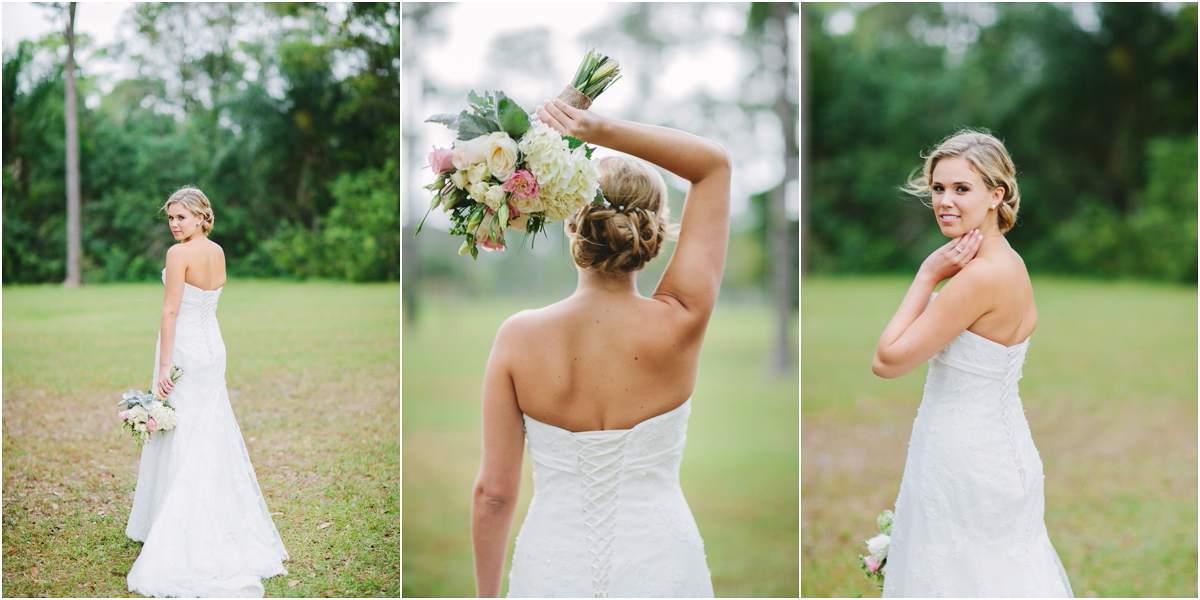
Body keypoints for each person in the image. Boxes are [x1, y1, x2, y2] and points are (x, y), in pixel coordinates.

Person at [470, 99, 731, 598]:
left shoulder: (517, 337)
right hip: (663, 567)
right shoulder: (682, 320)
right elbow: (713, 165)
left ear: (571, 223)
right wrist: (596, 129)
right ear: (653, 234)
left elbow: (494, 496)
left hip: (551, 570)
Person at [872, 130, 1072, 597]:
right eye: (938, 188)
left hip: (960, 456)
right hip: (1007, 451)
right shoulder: (1014, 265)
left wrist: (926, 276)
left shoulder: (978, 278)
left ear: (995, 195)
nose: (945, 201)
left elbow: (887, 360)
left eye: (962, 189)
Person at [125, 186, 288, 597]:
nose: (174, 224)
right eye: (170, 218)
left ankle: (186, 524)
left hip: (184, 351)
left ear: (201, 217)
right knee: (207, 429)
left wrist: (163, 367)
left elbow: (170, 312)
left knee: (186, 432)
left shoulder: (178, 254)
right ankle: (214, 516)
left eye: (181, 217)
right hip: (213, 348)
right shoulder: (217, 252)